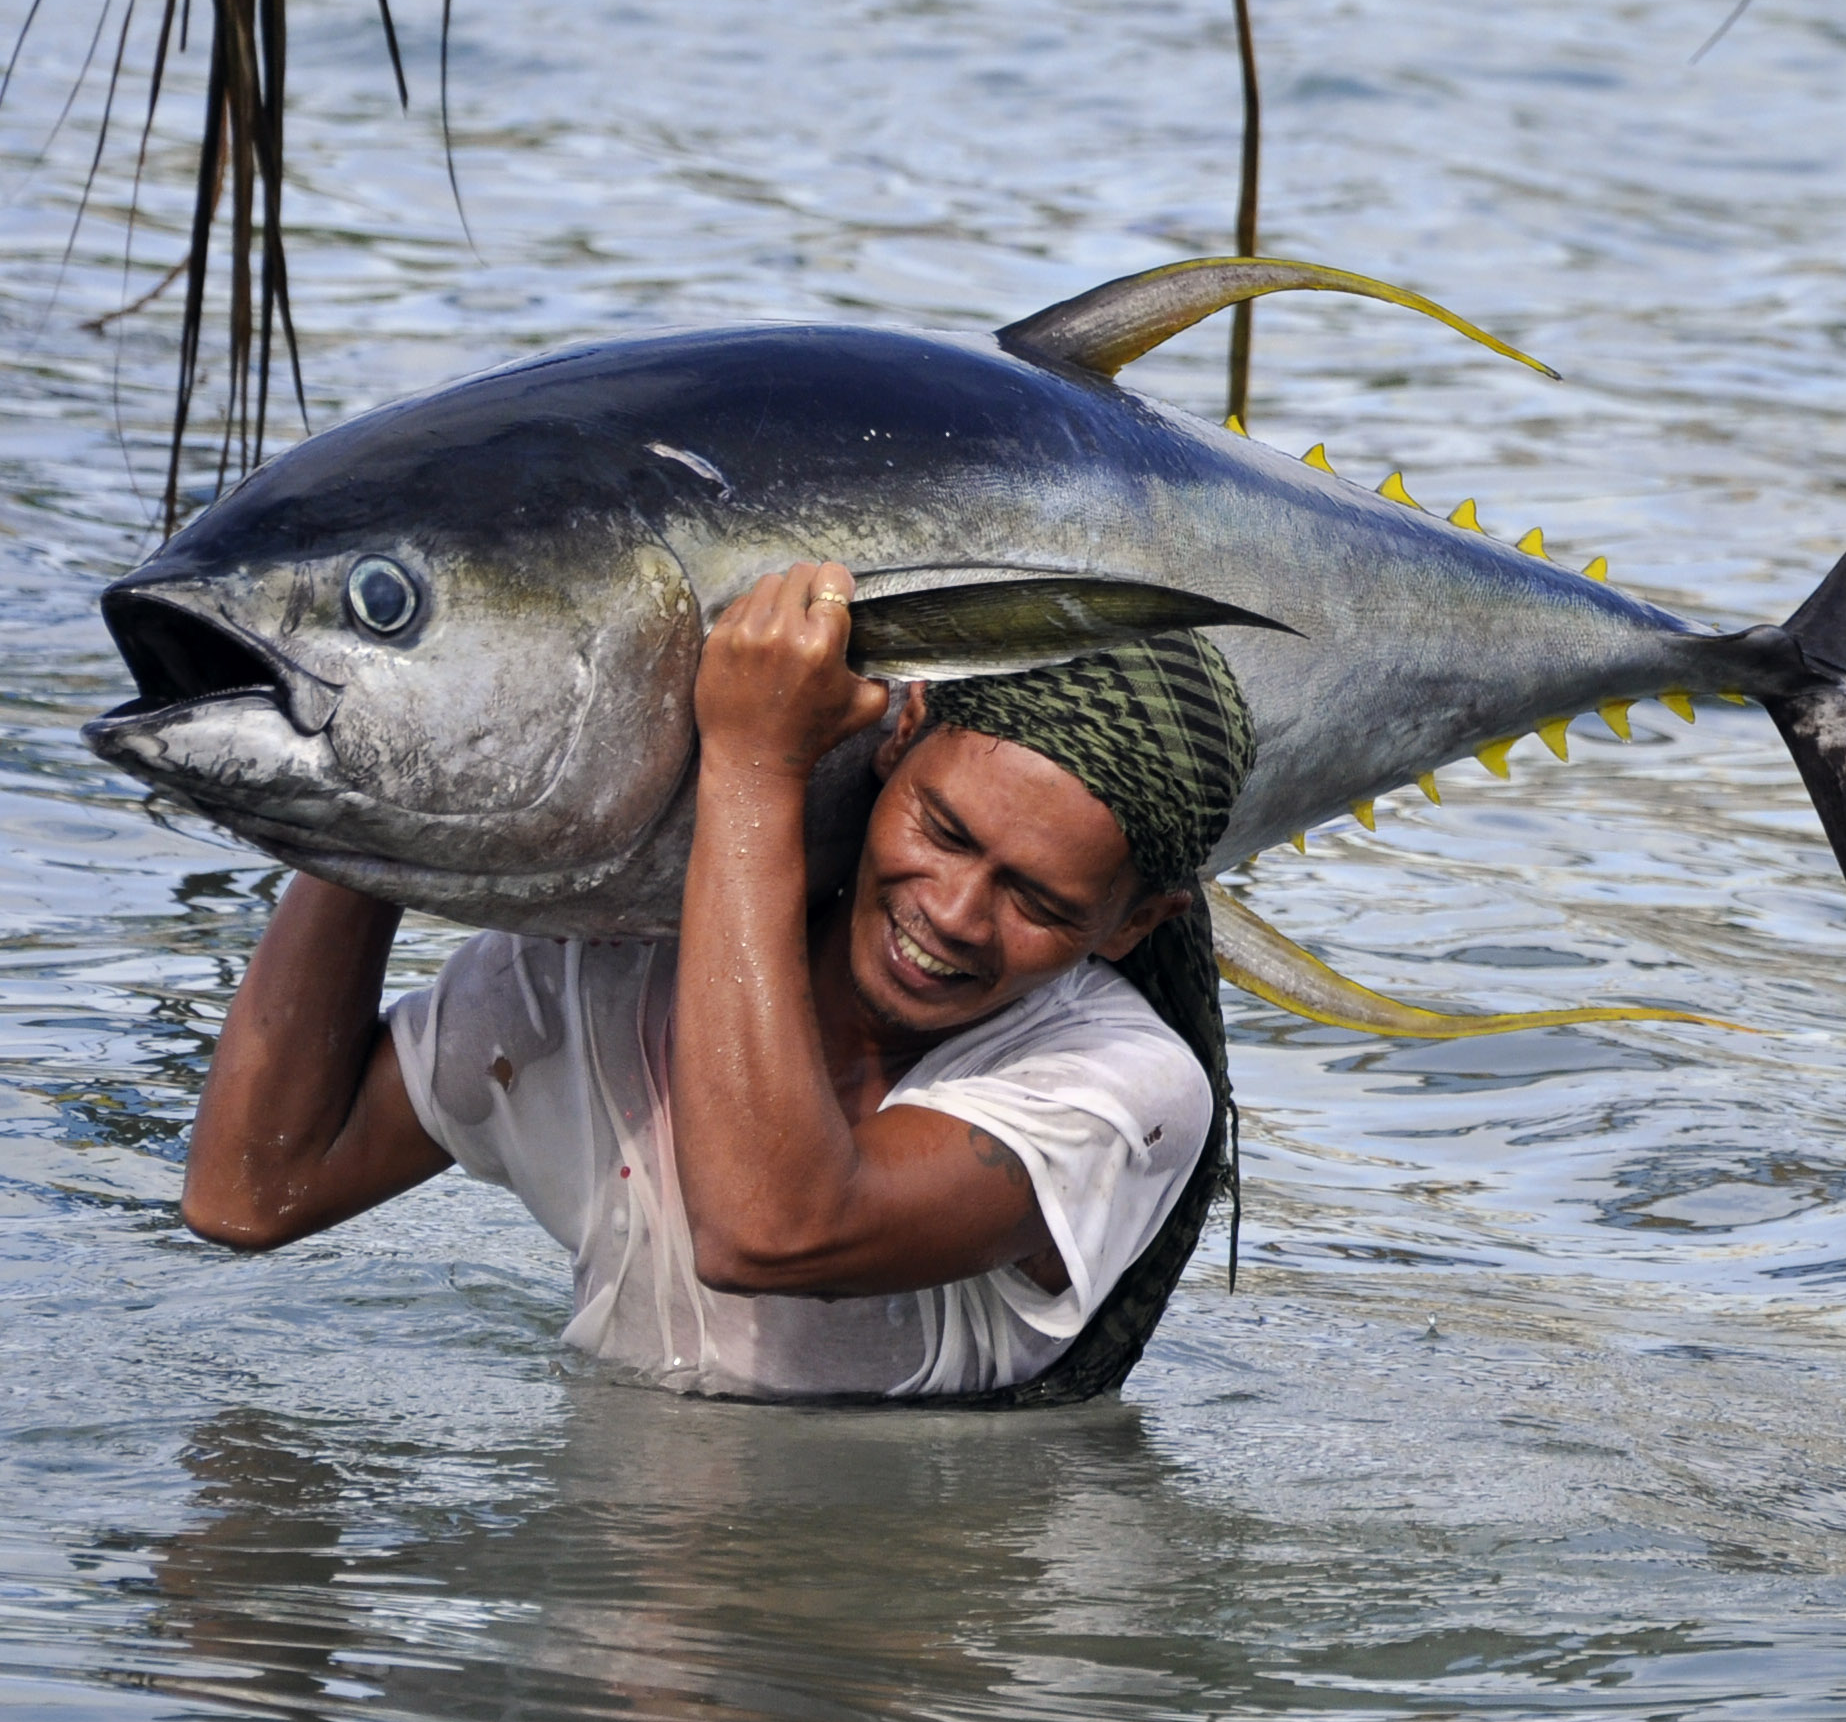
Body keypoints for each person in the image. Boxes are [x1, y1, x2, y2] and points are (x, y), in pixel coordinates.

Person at [176, 559, 1256, 1402]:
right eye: (943, 830)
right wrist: (377, 787)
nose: (954, 913)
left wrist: (753, 761)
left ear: (1135, 924)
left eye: (1039, 902)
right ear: (900, 739)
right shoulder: (602, 978)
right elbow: (249, 1193)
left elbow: (770, 1228)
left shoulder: (1125, 1088)